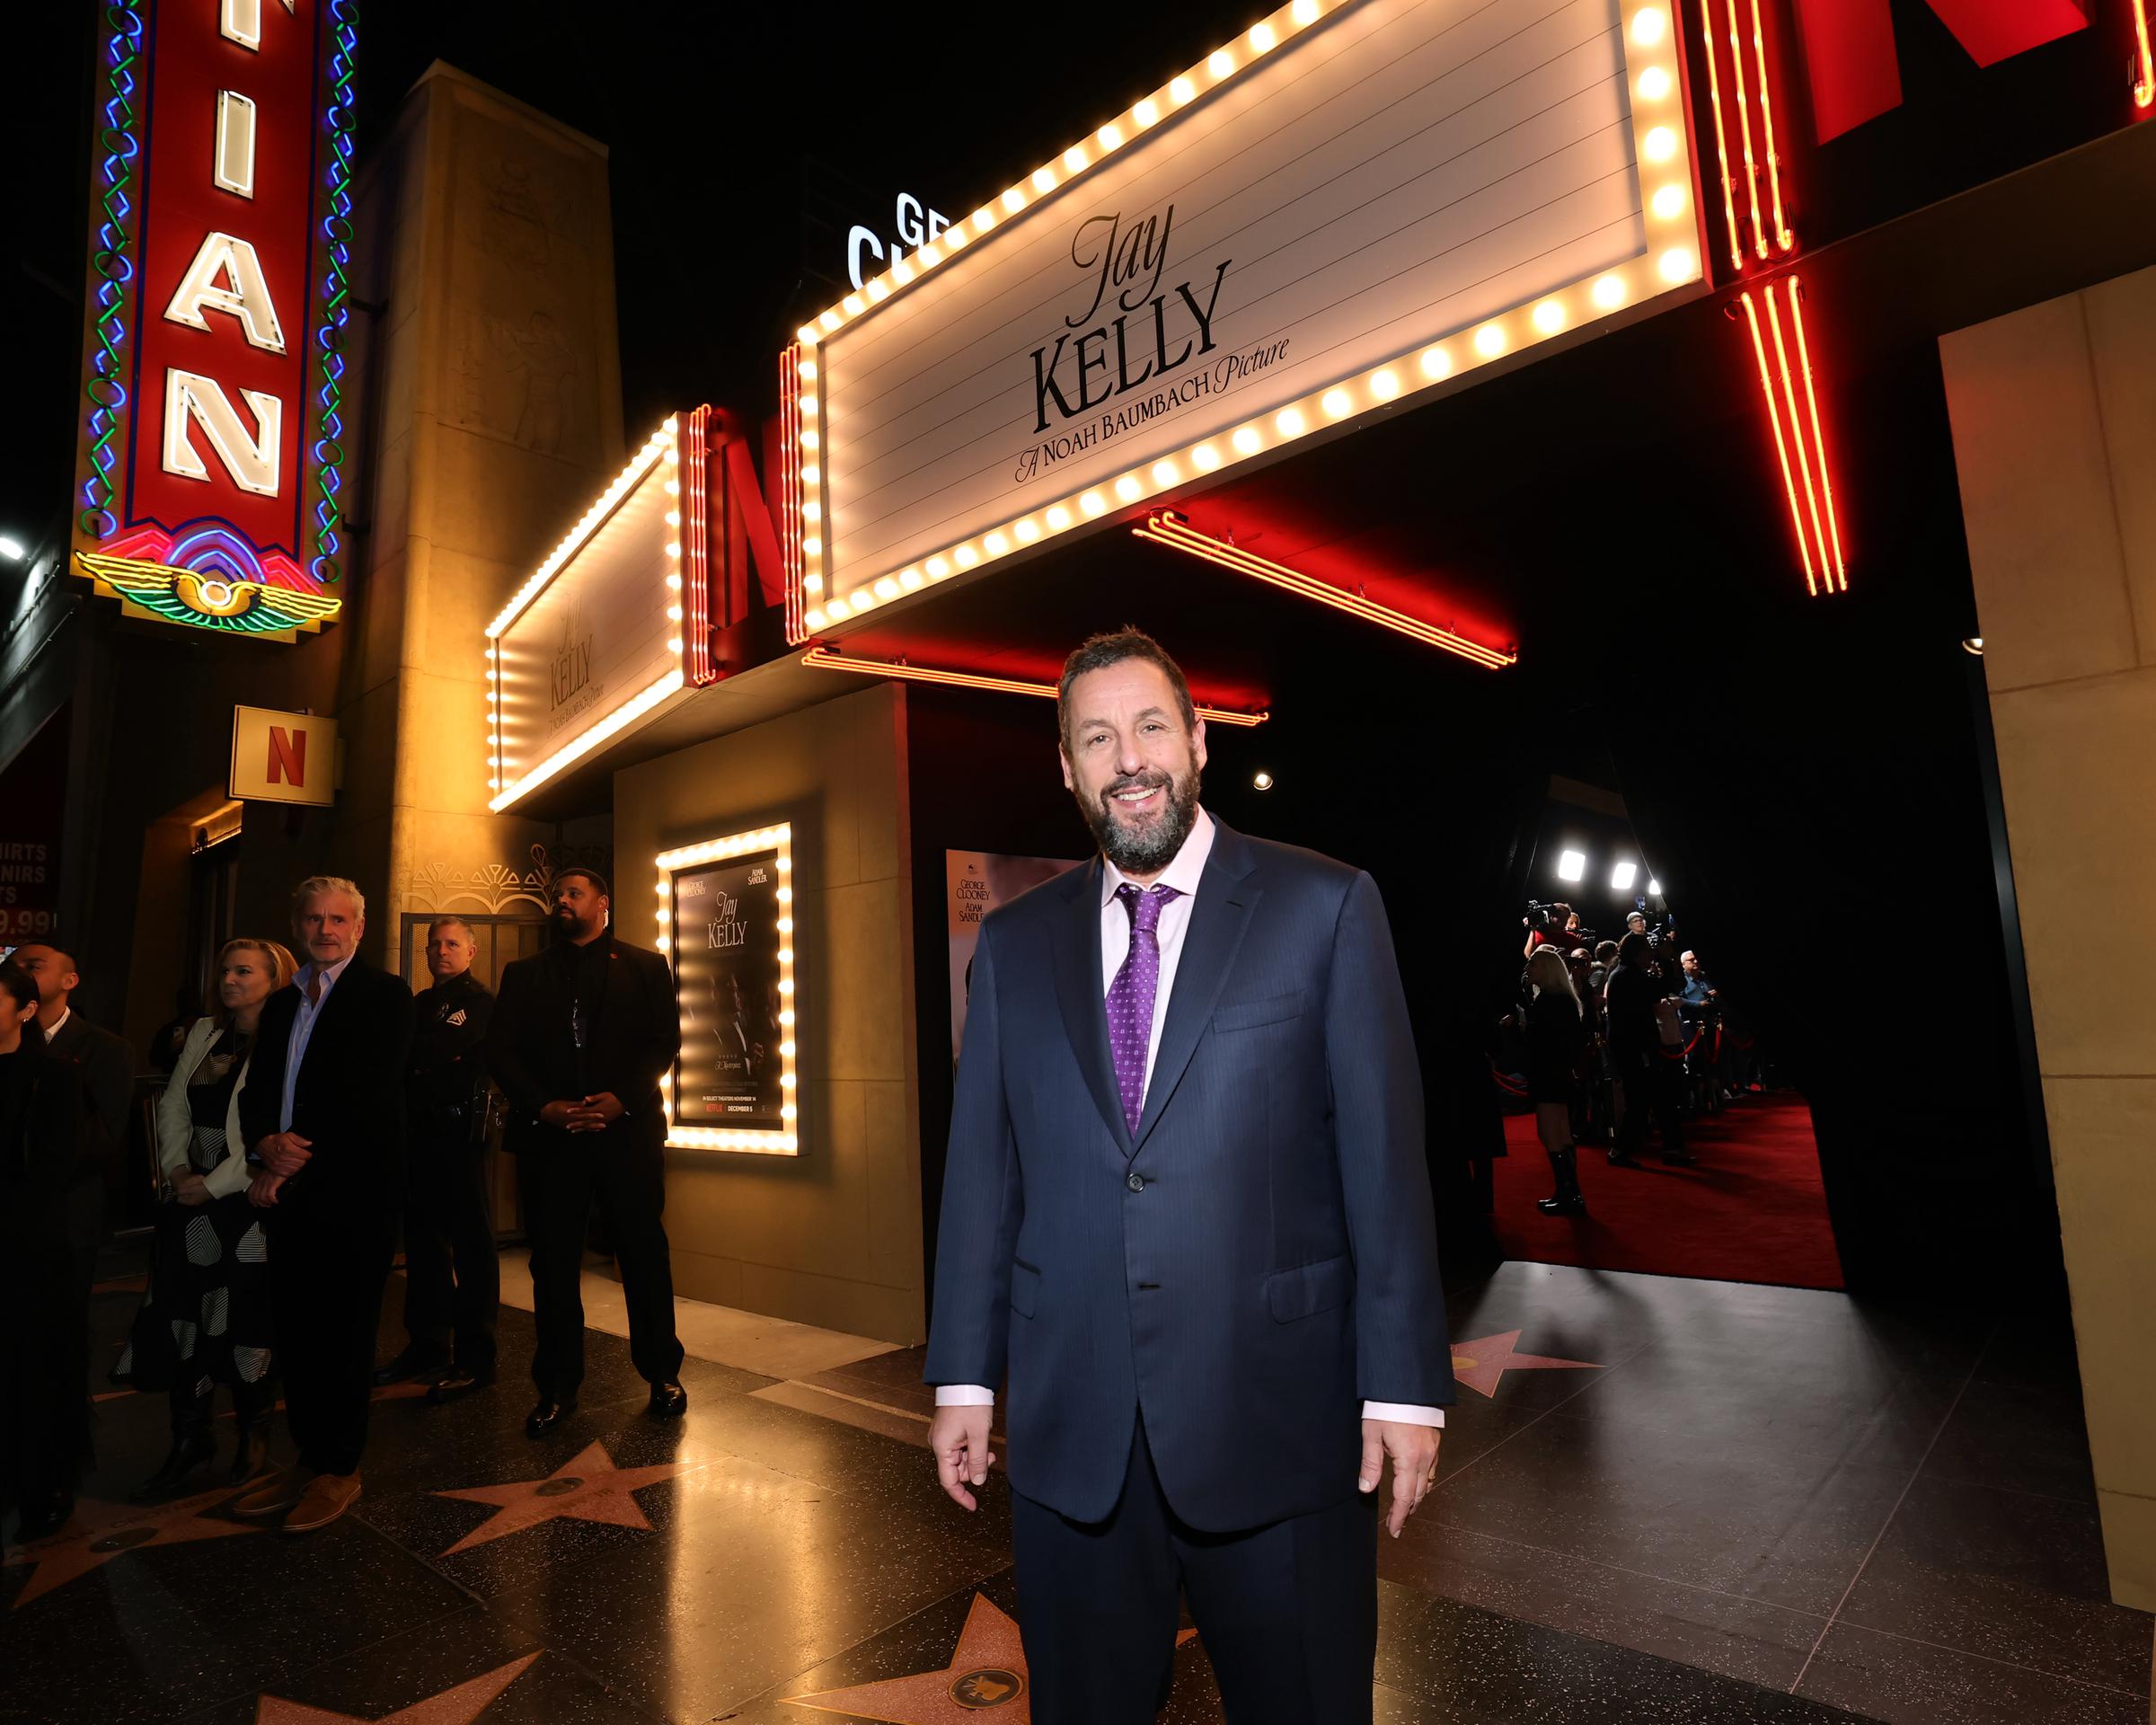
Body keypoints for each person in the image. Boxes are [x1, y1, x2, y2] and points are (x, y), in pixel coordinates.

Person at [924, 629, 1454, 1725]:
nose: (1130, 759)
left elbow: (1385, 1171)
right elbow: (984, 1174)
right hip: (1075, 1449)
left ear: (1200, 741)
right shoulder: (1015, 947)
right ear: (1065, 767)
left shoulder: (1327, 907)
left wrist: (1402, 1386)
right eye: (1098, 737)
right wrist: (965, 1378)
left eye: (1152, 726)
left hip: (1282, 1435)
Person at [230, 878, 414, 1534]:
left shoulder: (385, 996)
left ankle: (341, 1467)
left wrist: (287, 1158)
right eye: (314, 918)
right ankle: (309, 1458)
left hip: (353, 1192)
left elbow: (367, 1096)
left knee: (345, 1333)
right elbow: (258, 1091)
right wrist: (262, 1143)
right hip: (289, 1190)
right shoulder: (281, 1004)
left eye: (339, 919)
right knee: (299, 1331)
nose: (326, 929)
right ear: (297, 924)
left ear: (360, 928)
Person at [486, 868, 685, 1438]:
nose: (562, 901)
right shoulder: (524, 973)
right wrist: (542, 1105)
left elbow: (663, 1042)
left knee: (644, 1255)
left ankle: (662, 1375)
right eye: (558, 895)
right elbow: (501, 1049)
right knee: (551, 1265)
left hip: (627, 1136)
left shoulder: (645, 965)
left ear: (603, 902)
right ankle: (555, 1386)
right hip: (552, 1140)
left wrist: (623, 1100)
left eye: (574, 893)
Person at [128, 939, 296, 1498]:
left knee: (248, 1319)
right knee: (185, 1320)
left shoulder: (283, 1037)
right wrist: (177, 1171)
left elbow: (270, 1120)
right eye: (224, 969)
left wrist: (216, 1183)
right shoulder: (205, 1031)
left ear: (274, 979)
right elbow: (173, 1102)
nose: (229, 979)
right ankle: (190, 1437)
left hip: (245, 1199)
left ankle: (254, 1437)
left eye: (244, 971)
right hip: (189, 1198)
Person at [374, 917, 500, 1402]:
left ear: (471, 951)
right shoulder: (420, 1004)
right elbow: (399, 1059)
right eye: (434, 945)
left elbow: (433, 1051)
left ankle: (475, 1358)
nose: (441, 951)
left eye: (452, 944)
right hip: (419, 1134)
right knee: (425, 1246)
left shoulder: (482, 1003)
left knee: (472, 1246)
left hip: (460, 1135)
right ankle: (426, 1345)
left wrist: (416, 1056)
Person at [0, 960, 101, 1542]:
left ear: (26, 1011)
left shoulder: (54, 1077)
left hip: (29, 1252)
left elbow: (53, 1171)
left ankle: (44, 1485)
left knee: (37, 1371)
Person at [12, 942, 134, 1154]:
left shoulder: (107, 1049)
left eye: (33, 967)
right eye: (11, 967)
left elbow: (102, 1138)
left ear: (69, 980)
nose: (18, 974)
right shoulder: (8, 1036)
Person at [1604, 932, 1691, 1167]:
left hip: (1635, 1049)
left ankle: (1670, 1148)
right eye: (1648, 951)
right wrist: (1666, 960)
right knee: (1642, 1103)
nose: (1650, 956)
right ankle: (1621, 1150)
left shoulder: (1624, 973)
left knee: (1655, 1101)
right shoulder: (1627, 975)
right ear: (1637, 953)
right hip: (1636, 1050)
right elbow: (1659, 991)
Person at [1524, 948, 1588, 1216]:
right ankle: (1570, 1193)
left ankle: (1568, 1194)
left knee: (1551, 1133)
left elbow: (1544, 1041)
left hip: (1548, 1073)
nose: (1529, 969)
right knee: (1560, 1133)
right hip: (1557, 1073)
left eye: (1534, 965)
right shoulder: (1561, 1000)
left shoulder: (1550, 1002)